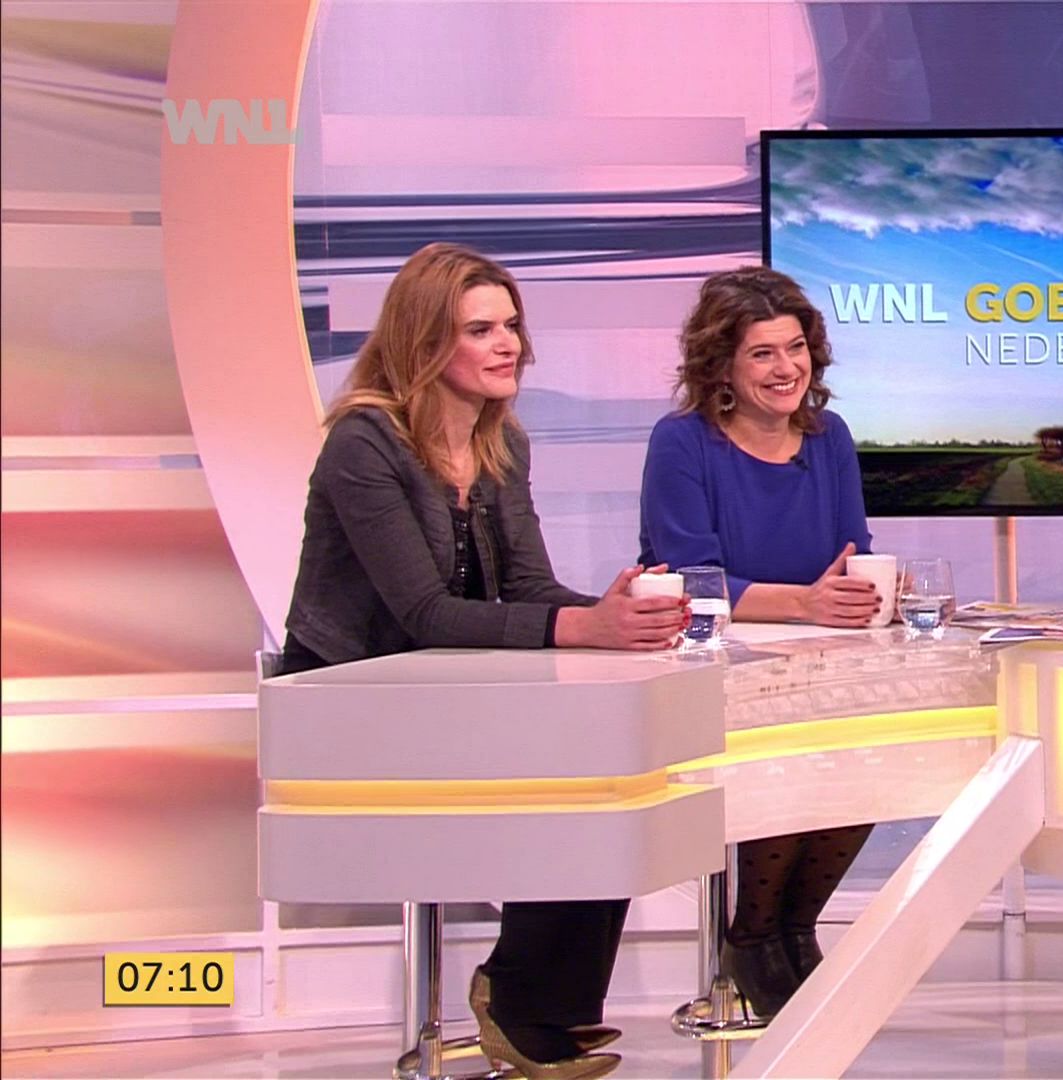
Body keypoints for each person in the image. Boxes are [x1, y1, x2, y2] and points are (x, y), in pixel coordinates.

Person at [280, 242, 687, 1080]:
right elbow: (423, 613)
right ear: (425, 341)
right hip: (351, 703)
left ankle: (547, 1001)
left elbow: (530, 586)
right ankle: (520, 998)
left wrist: (618, 613)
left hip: (454, 692)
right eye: (481, 329)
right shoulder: (365, 444)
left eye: (511, 326)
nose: (509, 345)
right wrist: (584, 629)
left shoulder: (503, 444)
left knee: (612, 755)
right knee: (572, 763)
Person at [638, 266, 881, 1017]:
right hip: (713, 665)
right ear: (722, 365)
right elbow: (688, 578)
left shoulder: (829, 438)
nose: (787, 368)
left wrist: (868, 593)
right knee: (787, 753)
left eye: (795, 348)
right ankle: (752, 934)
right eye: (763, 353)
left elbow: (853, 552)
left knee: (871, 753)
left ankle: (793, 928)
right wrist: (805, 603)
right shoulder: (683, 443)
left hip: (817, 659)